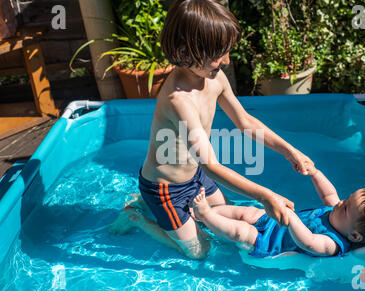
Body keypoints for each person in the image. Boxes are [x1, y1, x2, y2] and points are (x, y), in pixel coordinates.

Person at [111, 0, 315, 259]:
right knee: (199, 251)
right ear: (186, 50)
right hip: (166, 188)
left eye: (227, 51)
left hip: (195, 177)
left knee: (225, 223)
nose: (226, 61)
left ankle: (144, 203)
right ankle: (137, 217)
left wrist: (290, 151)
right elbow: (211, 165)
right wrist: (266, 195)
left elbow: (245, 122)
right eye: (218, 54)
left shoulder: (214, 78)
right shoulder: (179, 100)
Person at [189, 165, 365, 257]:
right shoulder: (338, 214)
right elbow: (329, 195)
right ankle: (206, 212)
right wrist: (315, 173)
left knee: (241, 232)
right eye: (346, 199)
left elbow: (308, 241)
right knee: (247, 213)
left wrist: (290, 217)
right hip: (273, 222)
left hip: (270, 243)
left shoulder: (333, 244)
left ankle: (206, 215)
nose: (340, 202)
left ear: (354, 235)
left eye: (346, 207)